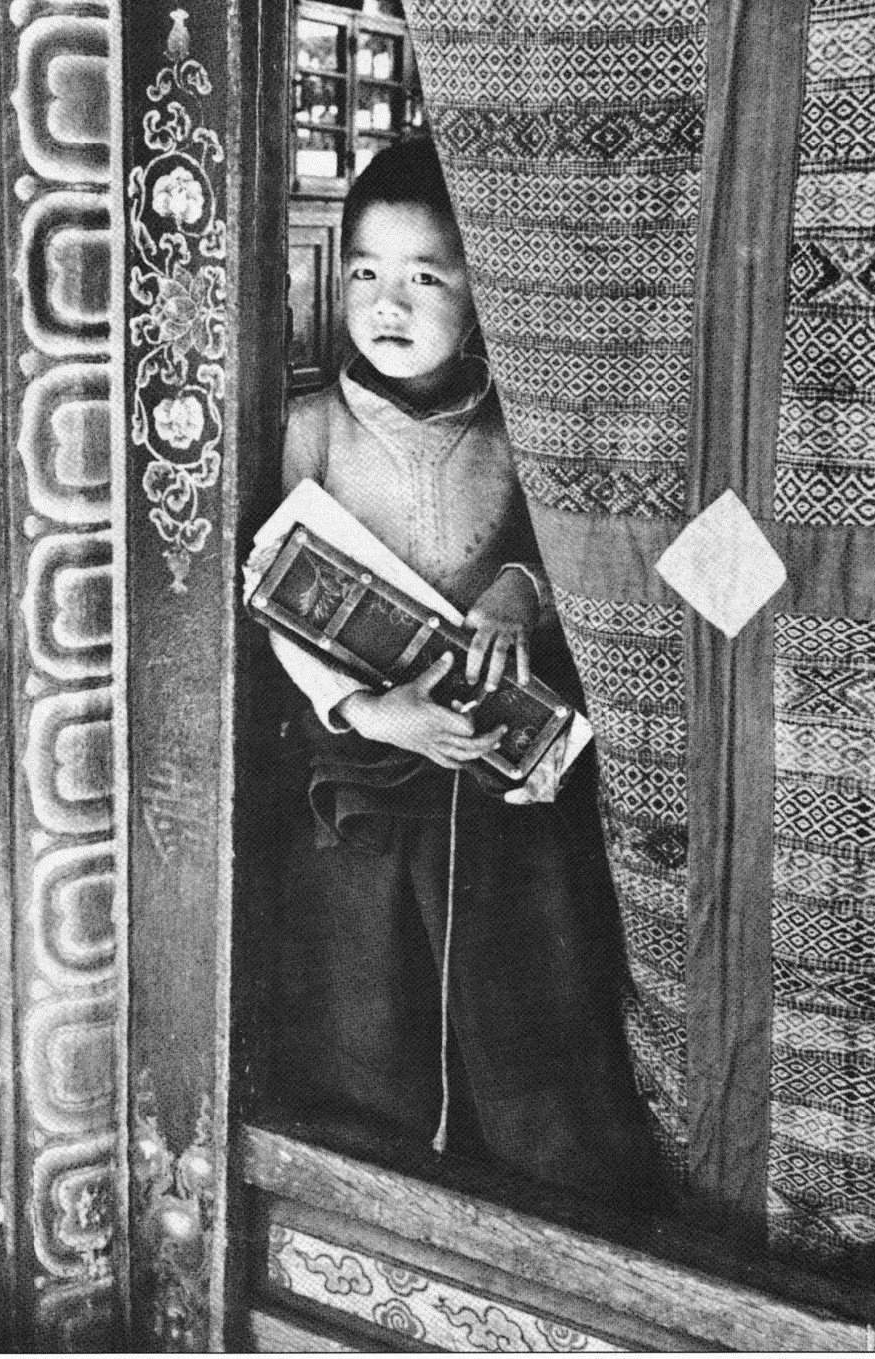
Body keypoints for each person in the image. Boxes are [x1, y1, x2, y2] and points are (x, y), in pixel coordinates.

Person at [265, 138, 661, 1201]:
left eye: (426, 276)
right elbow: (275, 603)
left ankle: (531, 1198)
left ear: (484, 291)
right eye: (363, 271)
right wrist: (363, 711)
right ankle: (370, 1204)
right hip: (369, 773)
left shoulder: (520, 426)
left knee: (521, 1008)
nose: (387, 303)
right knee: (367, 1001)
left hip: (497, 775)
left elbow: (559, 543)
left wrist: (517, 589)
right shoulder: (307, 431)